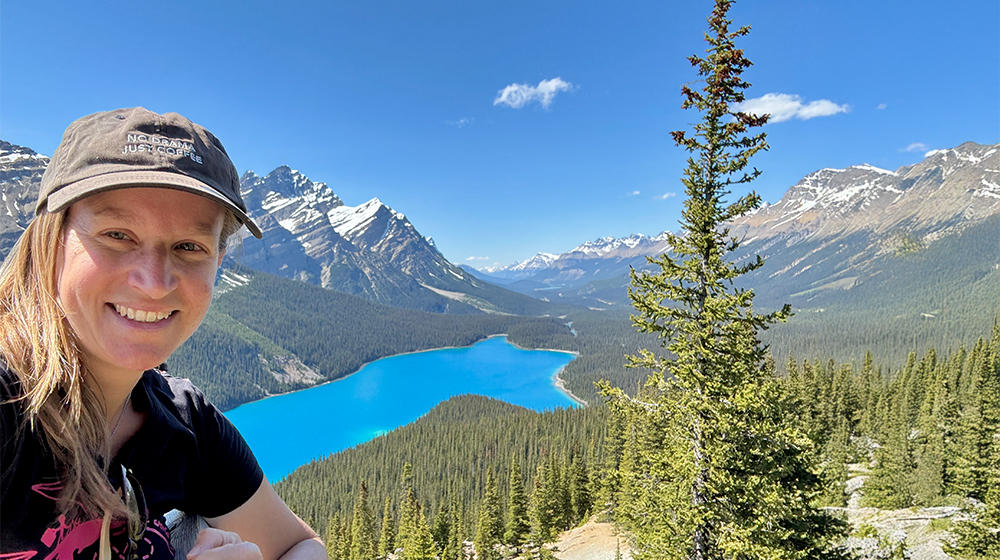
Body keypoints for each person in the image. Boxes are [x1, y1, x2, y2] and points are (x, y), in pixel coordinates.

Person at [0, 107, 325, 560]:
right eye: (117, 234)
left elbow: (302, 546)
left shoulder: (183, 424)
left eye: (189, 246)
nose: (154, 282)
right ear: (50, 243)